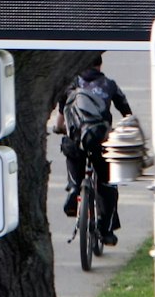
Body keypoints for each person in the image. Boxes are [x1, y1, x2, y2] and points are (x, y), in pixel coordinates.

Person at [56, 55, 133, 246]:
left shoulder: (70, 85)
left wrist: (61, 129)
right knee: (108, 184)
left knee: (72, 151)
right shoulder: (109, 84)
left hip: (76, 141)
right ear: (100, 65)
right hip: (101, 142)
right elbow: (127, 115)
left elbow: (60, 122)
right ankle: (106, 230)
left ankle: (74, 187)